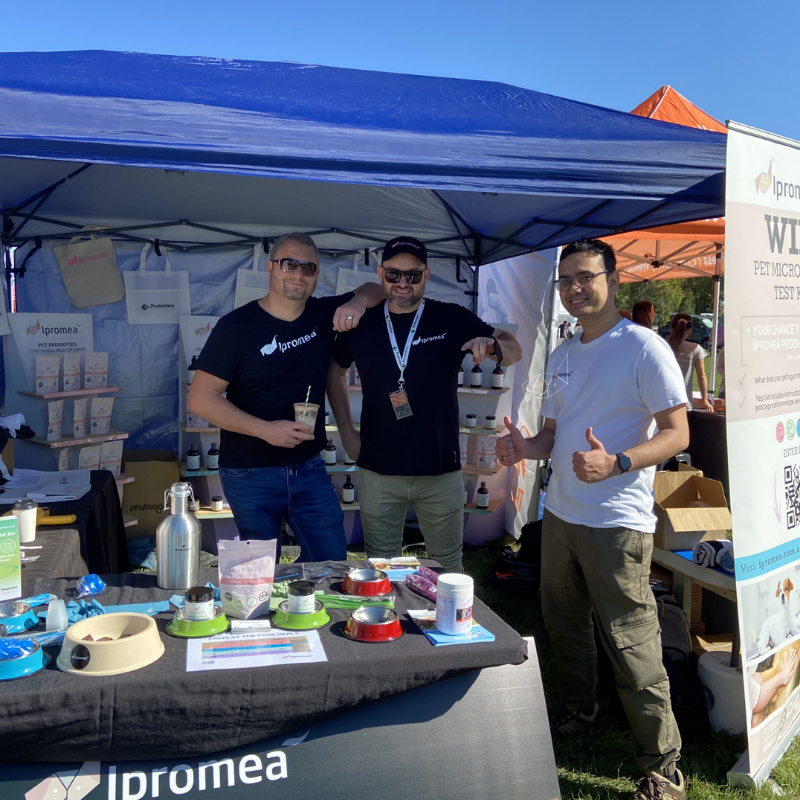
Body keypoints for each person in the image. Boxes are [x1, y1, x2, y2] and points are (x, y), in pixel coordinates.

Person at [495, 238, 690, 800]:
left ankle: (663, 765)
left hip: (617, 522)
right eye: (566, 281)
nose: (575, 288)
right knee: (564, 624)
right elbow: (554, 435)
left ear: (613, 279)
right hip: (559, 514)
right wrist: (524, 448)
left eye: (586, 277)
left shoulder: (643, 348)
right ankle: (579, 713)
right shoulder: (563, 354)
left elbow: (678, 433)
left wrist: (619, 461)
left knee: (631, 641)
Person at [327, 236, 521, 572]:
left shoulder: (451, 318)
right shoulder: (363, 323)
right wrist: (346, 431)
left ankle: (447, 624)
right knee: (381, 566)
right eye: (393, 274)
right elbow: (334, 371)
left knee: (446, 568)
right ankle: (387, 624)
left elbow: (513, 348)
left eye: (413, 276)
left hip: (439, 470)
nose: (403, 283)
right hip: (379, 470)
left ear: (427, 276)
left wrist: (492, 344)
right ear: (381, 273)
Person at [188, 232, 384, 561]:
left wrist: (357, 302)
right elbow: (201, 398)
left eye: (308, 268)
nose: (298, 274)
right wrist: (266, 429)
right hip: (250, 470)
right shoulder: (236, 327)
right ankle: (269, 610)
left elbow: (377, 289)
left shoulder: (324, 314)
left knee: (331, 558)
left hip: (308, 466)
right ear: (270, 268)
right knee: (260, 571)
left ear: (317, 274)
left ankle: (305, 607)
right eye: (289, 264)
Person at [668, 312, 714, 412]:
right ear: (689, 330)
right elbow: (701, 376)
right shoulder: (695, 349)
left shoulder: (660, 346)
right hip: (684, 403)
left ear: (671, 327)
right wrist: (705, 400)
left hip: (662, 403)